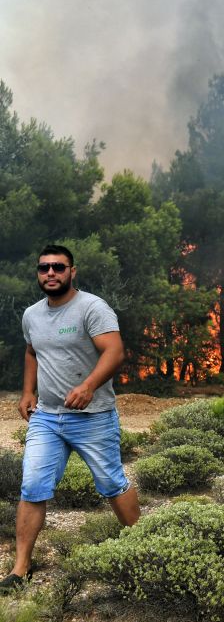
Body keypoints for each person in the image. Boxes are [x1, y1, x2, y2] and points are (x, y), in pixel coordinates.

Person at [5, 245, 140, 592]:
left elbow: (114, 350)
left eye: (58, 267)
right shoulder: (32, 315)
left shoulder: (92, 308)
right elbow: (32, 351)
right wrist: (27, 391)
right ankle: (21, 569)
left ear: (72, 272)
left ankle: (144, 549)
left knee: (111, 483)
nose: (50, 273)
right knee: (32, 486)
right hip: (46, 417)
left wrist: (89, 386)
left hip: (92, 417)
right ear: (38, 273)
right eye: (44, 268)